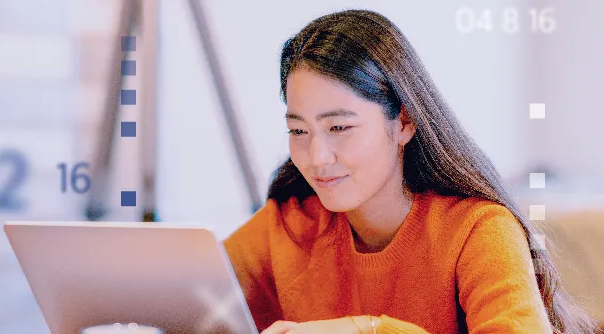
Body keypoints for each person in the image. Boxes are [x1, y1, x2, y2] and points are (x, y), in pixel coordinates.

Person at [222, 9, 600, 334]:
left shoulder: (478, 229)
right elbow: (185, 299)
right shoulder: (289, 224)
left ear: (403, 121)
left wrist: (369, 329)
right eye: (299, 131)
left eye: (339, 128)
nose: (317, 157)